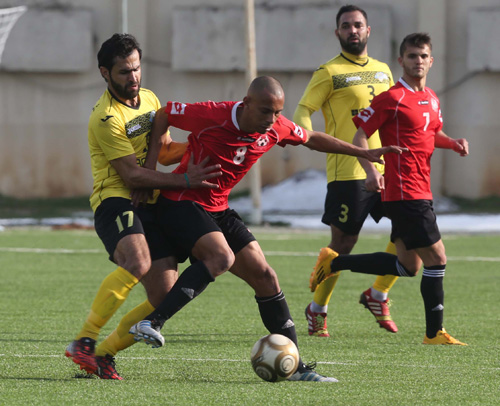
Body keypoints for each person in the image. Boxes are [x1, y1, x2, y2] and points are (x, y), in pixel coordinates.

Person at [127, 76, 406, 382]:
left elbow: (312, 138)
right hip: (181, 200)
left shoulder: (276, 127)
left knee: (266, 277)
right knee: (220, 258)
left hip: (218, 207)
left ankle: (297, 368)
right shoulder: (213, 114)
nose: (271, 120)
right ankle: (152, 322)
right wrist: (150, 172)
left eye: (277, 113)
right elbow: (164, 114)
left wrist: (362, 153)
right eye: (264, 112)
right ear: (245, 104)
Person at [64, 33, 221, 378]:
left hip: (147, 200)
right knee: (137, 261)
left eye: (136, 69)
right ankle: (85, 340)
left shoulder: (149, 98)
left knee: (164, 293)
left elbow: (162, 151)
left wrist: (201, 144)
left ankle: (104, 353)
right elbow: (131, 177)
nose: (133, 78)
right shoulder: (105, 118)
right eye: (124, 72)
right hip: (114, 198)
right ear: (104, 73)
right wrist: (183, 180)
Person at [310, 33, 469, 345]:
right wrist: (371, 171)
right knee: (437, 258)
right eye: (412, 56)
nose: (418, 62)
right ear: (401, 61)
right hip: (403, 191)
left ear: (431, 60)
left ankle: (334, 263)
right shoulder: (391, 97)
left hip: (422, 189)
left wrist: (454, 143)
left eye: (423, 56)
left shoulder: (432, 98)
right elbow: (360, 138)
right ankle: (434, 333)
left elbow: (432, 132)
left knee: (408, 266)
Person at [294, 4, 400, 337]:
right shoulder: (329, 71)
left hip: (387, 166)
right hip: (348, 171)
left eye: (358, 25)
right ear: (337, 32)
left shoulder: (384, 70)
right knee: (343, 245)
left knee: (412, 231)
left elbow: (395, 116)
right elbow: (302, 111)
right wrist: (306, 137)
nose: (353, 30)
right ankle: (318, 310)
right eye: (346, 26)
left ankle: (378, 294)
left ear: (368, 31)